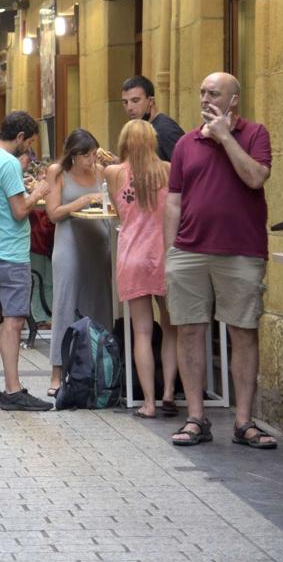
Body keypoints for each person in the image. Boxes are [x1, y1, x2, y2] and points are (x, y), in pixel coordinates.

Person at [165, 72, 275, 448]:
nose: (205, 98)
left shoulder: (256, 134)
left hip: (241, 251)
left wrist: (225, 136)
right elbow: (174, 200)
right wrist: (170, 252)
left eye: (214, 93)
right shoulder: (184, 144)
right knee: (190, 330)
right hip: (189, 252)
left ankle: (244, 421)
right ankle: (196, 417)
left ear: (234, 100)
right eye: (202, 92)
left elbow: (255, 178)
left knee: (242, 332)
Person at [0, 111, 52, 412]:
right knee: (13, 323)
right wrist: (39, 192)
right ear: (19, 137)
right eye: (28, 143)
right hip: (10, 253)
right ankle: (14, 391)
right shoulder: (7, 164)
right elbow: (19, 210)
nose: (27, 149)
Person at [105, 120, 179, 419]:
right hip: (164, 255)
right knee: (172, 327)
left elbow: (117, 208)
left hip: (132, 255)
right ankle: (169, 392)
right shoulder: (169, 170)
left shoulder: (113, 173)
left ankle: (148, 402)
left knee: (142, 332)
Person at [44, 128, 113, 396]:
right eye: (87, 156)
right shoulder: (57, 172)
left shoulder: (101, 171)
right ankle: (57, 373)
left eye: (94, 154)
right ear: (74, 155)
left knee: (100, 302)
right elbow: (53, 214)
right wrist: (83, 201)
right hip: (69, 241)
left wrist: (111, 160)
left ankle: (102, 368)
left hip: (99, 241)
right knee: (66, 302)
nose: (91, 160)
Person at [121, 75, 185, 163]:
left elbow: (186, 167)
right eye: (125, 102)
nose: (129, 107)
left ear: (150, 101)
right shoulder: (142, 128)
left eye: (135, 101)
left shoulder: (165, 129)